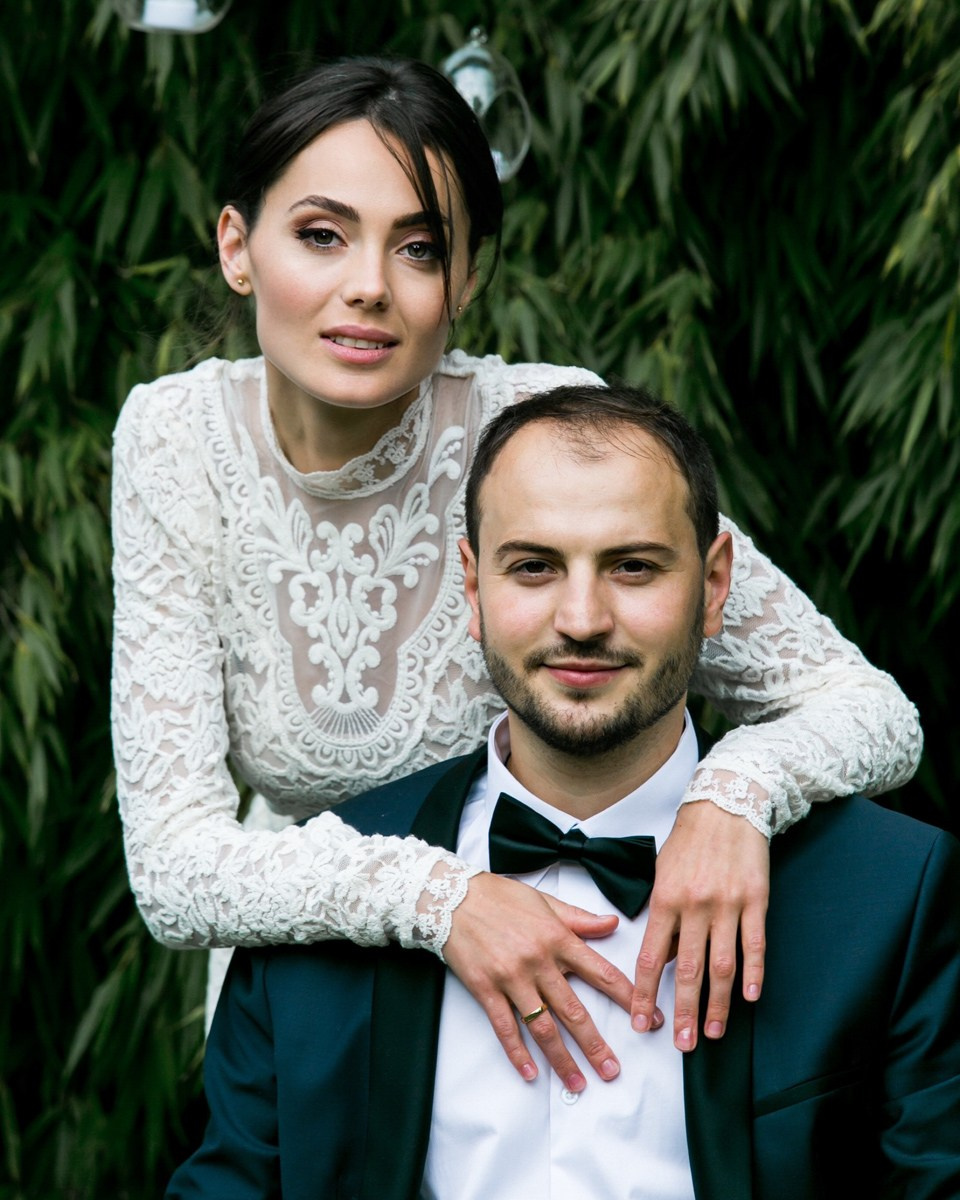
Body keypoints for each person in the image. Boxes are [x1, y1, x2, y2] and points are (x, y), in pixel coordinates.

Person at [110, 56, 922, 1087]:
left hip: (585, 957)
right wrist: (442, 897)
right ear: (237, 246)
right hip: (310, 988)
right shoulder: (174, 438)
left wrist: (735, 794)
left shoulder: (543, 433)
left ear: (466, 280)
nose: (369, 285)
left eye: (420, 247)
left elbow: (871, 711)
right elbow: (175, 868)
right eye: (322, 234)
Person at [165, 384, 960, 1200]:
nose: (582, 619)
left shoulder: (889, 895)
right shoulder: (320, 896)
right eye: (534, 568)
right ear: (472, 588)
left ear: (716, 584)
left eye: (633, 567)